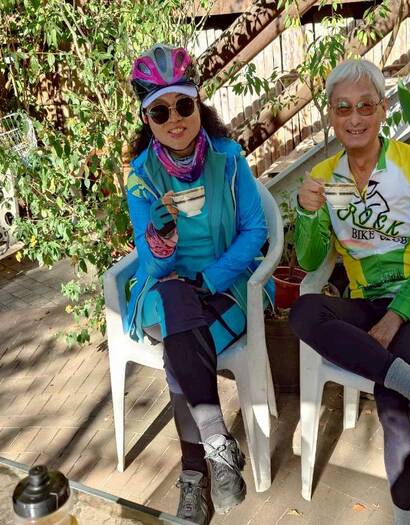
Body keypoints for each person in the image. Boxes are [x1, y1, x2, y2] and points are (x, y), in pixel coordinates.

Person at [289, 59, 410, 525]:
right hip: (367, 300)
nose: (354, 118)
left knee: (391, 404)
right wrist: (306, 213)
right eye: (343, 108)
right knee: (303, 312)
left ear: (383, 109)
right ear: (331, 115)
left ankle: (405, 519)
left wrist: (395, 317)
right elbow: (310, 260)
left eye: (365, 106)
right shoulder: (325, 175)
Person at [123, 44, 273, 524]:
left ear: (198, 104)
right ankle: (217, 446)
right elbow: (151, 264)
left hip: (226, 286)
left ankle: (195, 475)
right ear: (147, 119)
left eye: (183, 105)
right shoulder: (140, 179)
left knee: (180, 344)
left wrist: (210, 277)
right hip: (166, 289)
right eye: (160, 111)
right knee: (174, 300)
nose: (175, 119)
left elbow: (255, 231)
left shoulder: (228, 159)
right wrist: (161, 234)